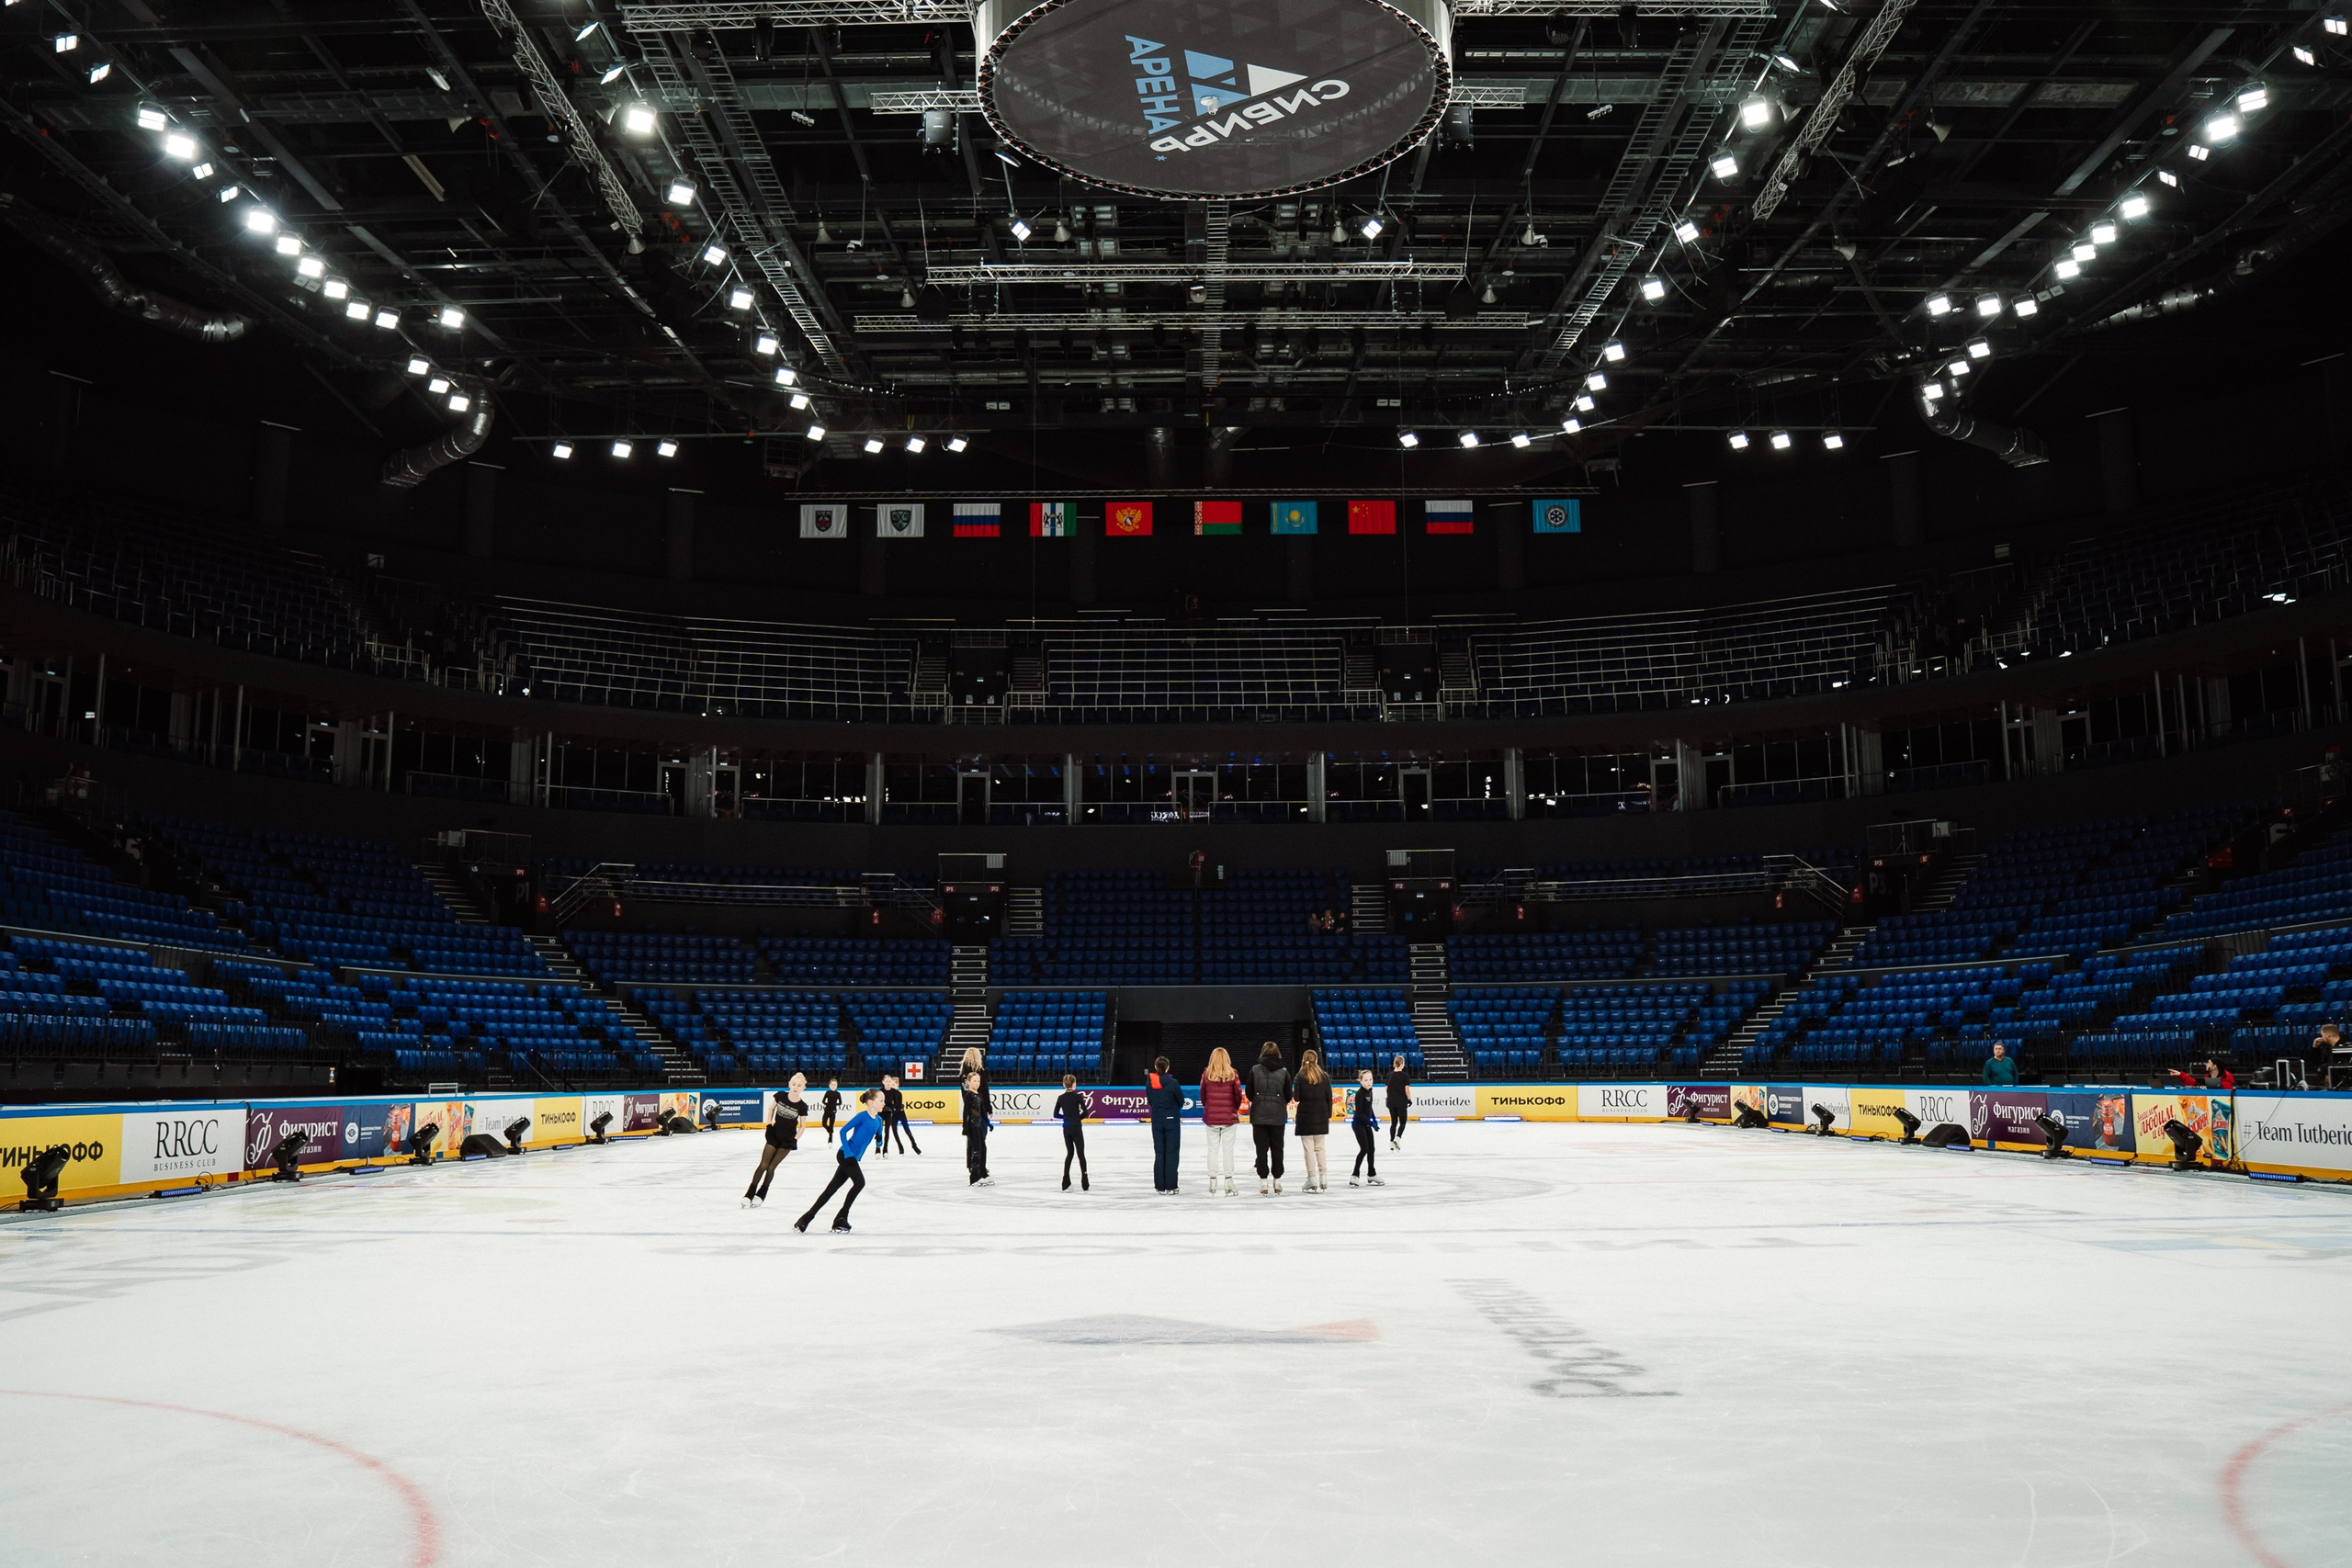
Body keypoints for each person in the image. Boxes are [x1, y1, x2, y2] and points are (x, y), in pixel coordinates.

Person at [795, 1089, 881, 1234]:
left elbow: (879, 1134)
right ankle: (841, 1218)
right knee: (860, 1183)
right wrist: (848, 1152)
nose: (884, 1103)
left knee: (831, 1189)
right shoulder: (862, 1116)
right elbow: (843, 1131)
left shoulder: (879, 1120)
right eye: (881, 1101)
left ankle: (805, 1219)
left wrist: (879, 1143)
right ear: (872, 1103)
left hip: (852, 1157)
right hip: (845, 1155)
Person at [743, 1073, 808, 1206]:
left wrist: (795, 1139)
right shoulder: (780, 1095)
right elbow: (771, 1108)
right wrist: (768, 1124)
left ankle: (762, 1194)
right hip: (774, 1134)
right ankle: (750, 1193)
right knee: (763, 1165)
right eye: (794, 1084)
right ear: (789, 1084)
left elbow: (802, 1126)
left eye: (799, 1085)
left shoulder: (802, 1106)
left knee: (771, 1167)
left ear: (803, 1088)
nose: (796, 1087)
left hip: (787, 1140)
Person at [1249, 1041, 1295, 1194]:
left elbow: (1249, 1093)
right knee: (1277, 1148)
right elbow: (1289, 1094)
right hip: (1278, 1116)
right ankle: (1277, 1180)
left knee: (1261, 1150)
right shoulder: (1284, 1072)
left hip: (1259, 1116)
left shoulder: (1255, 1070)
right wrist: (1279, 1102)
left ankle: (1263, 1181)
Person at [1199, 1047, 1245, 1196]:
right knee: (1228, 1150)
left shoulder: (1207, 1075)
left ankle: (1212, 1180)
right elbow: (1238, 1096)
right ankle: (1228, 1180)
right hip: (1228, 1118)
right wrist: (1233, 1109)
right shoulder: (1233, 1075)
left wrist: (1209, 1108)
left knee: (1212, 1150)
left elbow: (1203, 1095)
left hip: (1211, 1118)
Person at [1293, 1048, 1331, 1191]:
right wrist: (1328, 1115)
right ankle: (1324, 1177)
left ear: (1304, 1059)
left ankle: (1312, 1178)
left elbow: (1296, 1098)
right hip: (1321, 1114)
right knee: (1320, 1148)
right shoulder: (1324, 1076)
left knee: (1308, 1149)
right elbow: (1329, 1098)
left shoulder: (1300, 1076)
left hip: (1305, 1115)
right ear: (1316, 1060)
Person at [1146, 1054, 1183, 1193]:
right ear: (1167, 1067)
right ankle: (1171, 1185)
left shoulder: (1150, 1083)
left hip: (1157, 1120)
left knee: (1160, 1152)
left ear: (1156, 1067)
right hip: (1171, 1120)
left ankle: (1160, 1186)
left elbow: (1150, 1101)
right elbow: (1180, 1100)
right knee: (1172, 1152)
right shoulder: (1173, 1083)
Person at [1349, 1068, 1384, 1187]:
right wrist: (1370, 1122)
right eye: (1366, 1080)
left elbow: (1369, 1109)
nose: (1369, 1082)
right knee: (1364, 1149)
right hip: (1358, 1124)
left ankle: (1371, 1173)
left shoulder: (1370, 1091)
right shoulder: (1360, 1093)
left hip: (1367, 1123)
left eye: (1370, 1079)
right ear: (1361, 1081)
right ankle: (1355, 1175)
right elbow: (1359, 1113)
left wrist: (1374, 1120)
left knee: (1372, 1149)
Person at [1055, 1074, 1089, 1190]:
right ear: (1074, 1084)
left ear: (1064, 1084)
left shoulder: (1061, 1098)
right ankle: (1085, 1181)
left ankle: (1065, 1180)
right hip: (1076, 1127)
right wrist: (1077, 1118)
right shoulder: (1078, 1097)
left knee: (1069, 1153)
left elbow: (1055, 1114)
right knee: (1081, 1154)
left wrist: (1066, 1117)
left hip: (1067, 1127)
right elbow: (1085, 1112)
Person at [961, 1069, 993, 1186]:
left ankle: (983, 1172)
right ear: (969, 1082)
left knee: (983, 1149)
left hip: (979, 1125)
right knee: (976, 1151)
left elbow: (983, 1112)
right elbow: (966, 1112)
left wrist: (988, 1123)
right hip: (972, 1126)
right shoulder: (969, 1095)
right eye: (974, 1081)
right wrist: (965, 1126)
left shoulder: (979, 1095)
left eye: (978, 1081)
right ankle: (974, 1176)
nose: (977, 1083)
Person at [879, 1074, 921, 1156]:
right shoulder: (888, 1093)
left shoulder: (898, 1093)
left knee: (907, 1129)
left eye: (894, 1084)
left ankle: (914, 1145)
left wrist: (899, 1107)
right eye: (891, 1084)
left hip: (900, 1113)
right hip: (893, 1115)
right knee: (895, 1132)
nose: (892, 1085)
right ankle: (900, 1147)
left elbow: (898, 1104)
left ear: (898, 1085)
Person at [1385, 1055, 1412, 1150]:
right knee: (1403, 1122)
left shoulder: (1389, 1075)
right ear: (1402, 1064)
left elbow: (1386, 1088)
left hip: (1391, 1102)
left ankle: (1391, 1142)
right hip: (1401, 1102)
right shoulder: (1405, 1076)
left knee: (1393, 1122)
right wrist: (1409, 1099)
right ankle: (1398, 1137)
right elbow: (1407, 1089)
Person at [820, 1077, 842, 1143]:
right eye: (832, 1084)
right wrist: (827, 1104)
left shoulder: (838, 1094)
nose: (833, 1086)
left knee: (831, 1125)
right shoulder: (827, 1092)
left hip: (833, 1111)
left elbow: (840, 1102)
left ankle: (830, 1140)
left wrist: (835, 1104)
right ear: (829, 1085)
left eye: (835, 1085)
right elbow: (823, 1101)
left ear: (837, 1086)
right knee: (824, 1123)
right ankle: (829, 1130)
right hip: (827, 1110)